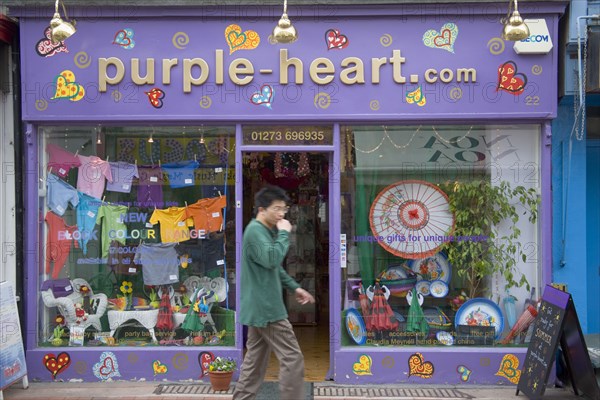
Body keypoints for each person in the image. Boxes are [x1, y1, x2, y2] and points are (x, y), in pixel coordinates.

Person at [233, 185, 315, 400]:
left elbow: (273, 268)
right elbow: (272, 258)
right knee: (292, 358)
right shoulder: (255, 231)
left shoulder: (263, 231)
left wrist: (294, 287)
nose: (281, 214)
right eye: (277, 209)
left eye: (284, 209)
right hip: (267, 308)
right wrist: (285, 234)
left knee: (254, 362)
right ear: (262, 209)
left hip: (259, 308)